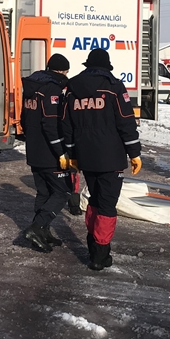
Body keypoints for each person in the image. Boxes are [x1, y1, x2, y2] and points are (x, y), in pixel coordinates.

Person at [62, 49, 142, 270]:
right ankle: (99, 254)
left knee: (96, 199)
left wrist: (72, 154)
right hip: (111, 157)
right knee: (107, 204)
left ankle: (93, 245)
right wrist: (134, 153)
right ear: (107, 66)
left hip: (86, 156)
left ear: (88, 65)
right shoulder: (114, 86)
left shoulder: (71, 88)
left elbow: (66, 124)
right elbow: (126, 121)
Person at [19, 53, 72, 252]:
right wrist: (61, 152)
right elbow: (51, 124)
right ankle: (36, 227)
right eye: (66, 71)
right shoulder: (52, 89)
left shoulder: (32, 87)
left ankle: (43, 231)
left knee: (44, 192)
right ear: (61, 71)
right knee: (62, 192)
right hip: (49, 152)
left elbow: (24, 120)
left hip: (34, 150)